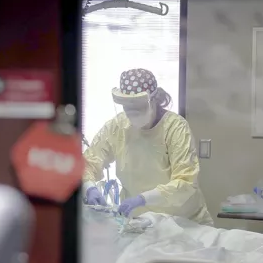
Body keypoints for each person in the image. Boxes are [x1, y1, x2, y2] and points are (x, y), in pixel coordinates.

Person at [83, 68, 213, 226]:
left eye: (138, 107)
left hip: (184, 222)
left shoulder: (175, 127)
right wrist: (89, 187)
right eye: (127, 108)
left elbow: (185, 181)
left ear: (154, 100)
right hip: (140, 223)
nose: (132, 114)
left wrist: (143, 199)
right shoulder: (117, 126)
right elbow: (88, 162)